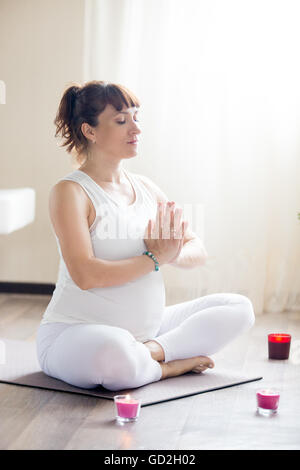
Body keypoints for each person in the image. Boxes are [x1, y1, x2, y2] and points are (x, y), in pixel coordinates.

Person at [36, 80, 255, 391]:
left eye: (136, 118)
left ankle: (153, 353)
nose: (135, 129)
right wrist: (155, 258)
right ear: (90, 131)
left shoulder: (145, 188)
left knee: (239, 308)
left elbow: (196, 248)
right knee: (115, 358)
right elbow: (85, 275)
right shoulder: (71, 192)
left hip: (148, 331)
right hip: (75, 333)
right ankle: (168, 366)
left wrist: (171, 252)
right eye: (122, 120)